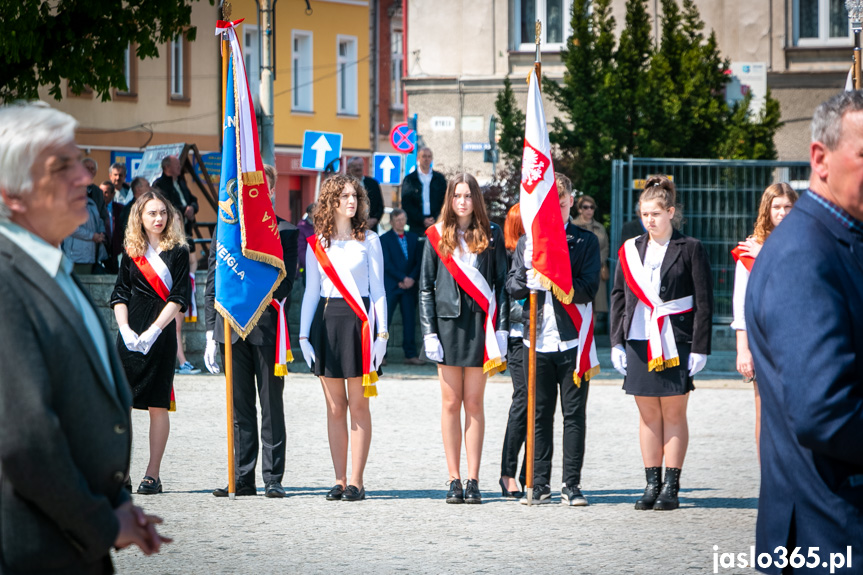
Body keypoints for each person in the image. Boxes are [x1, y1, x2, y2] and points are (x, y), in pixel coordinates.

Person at [0, 101, 169, 573]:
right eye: (61, 167)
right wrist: (103, 522)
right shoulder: (6, 279)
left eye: (79, 162)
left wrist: (117, 501)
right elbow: (24, 439)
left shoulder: (50, 267)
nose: (82, 178)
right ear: (12, 192)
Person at [746, 92, 863, 571]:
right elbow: (824, 412)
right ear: (820, 158)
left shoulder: (839, 237)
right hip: (828, 535)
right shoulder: (804, 255)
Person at [609, 175, 713, 511]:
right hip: (639, 340)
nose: (649, 220)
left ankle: (671, 486)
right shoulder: (630, 249)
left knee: (674, 412)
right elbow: (619, 297)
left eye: (655, 213)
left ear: (670, 212)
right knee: (648, 415)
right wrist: (616, 342)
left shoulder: (691, 248)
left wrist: (700, 347)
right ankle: (651, 484)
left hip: (676, 341)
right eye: (644, 215)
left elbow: (704, 301)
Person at [205, 164, 299, 499]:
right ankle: (242, 478)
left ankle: (273, 477)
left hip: (266, 329)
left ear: (269, 191)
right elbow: (213, 281)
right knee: (239, 407)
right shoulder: (227, 231)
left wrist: (251, 298)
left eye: (261, 187)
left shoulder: (285, 231)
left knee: (271, 405)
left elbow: (287, 281)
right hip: (230, 328)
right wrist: (208, 331)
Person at [508, 175, 601, 505]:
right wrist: (528, 277)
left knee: (574, 416)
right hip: (535, 341)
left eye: (562, 198)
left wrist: (553, 279)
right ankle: (539, 482)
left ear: (571, 200)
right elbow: (512, 287)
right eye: (551, 198)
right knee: (539, 415)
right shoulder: (527, 243)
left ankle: (571, 485)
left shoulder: (585, 242)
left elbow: (589, 288)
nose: (558, 203)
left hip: (572, 342)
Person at [419, 172, 508, 504]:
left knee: (474, 403)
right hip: (446, 326)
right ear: (449, 200)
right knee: (450, 403)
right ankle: (453, 479)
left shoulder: (492, 234)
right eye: (457, 195)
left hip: (480, 327)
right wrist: (428, 331)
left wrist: (500, 328)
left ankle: (473, 479)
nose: (462, 201)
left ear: (476, 200)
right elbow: (426, 288)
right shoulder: (435, 236)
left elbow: (501, 285)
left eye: (468, 195)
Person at [299, 174, 387, 502]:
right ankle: (338, 479)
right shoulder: (317, 243)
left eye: (355, 196)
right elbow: (310, 292)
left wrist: (382, 335)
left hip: (360, 324)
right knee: (335, 407)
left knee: (358, 405)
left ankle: (357, 481)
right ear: (331, 201)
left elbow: (378, 291)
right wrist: (304, 336)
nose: (352, 201)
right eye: (345, 196)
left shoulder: (371, 240)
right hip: (327, 324)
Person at [111, 190, 189, 496]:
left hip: (161, 333)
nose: (158, 218)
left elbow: (178, 297)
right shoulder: (131, 250)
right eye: (151, 213)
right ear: (139, 217)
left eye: (163, 213)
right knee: (122, 405)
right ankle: (123, 474)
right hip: (129, 336)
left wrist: (155, 331)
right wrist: (125, 329)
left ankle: (152, 475)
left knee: (158, 404)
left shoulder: (179, 251)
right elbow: (120, 293)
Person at [730, 183, 797, 459]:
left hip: (797, 338)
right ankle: (770, 481)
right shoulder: (749, 250)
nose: (782, 213)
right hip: (764, 339)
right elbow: (740, 303)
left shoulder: (806, 243)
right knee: (765, 412)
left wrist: (767, 258)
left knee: (796, 412)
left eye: (788, 207)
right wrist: (742, 349)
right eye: (776, 207)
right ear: (766, 210)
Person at [499, 203, 527, 499]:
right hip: (518, 334)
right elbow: (505, 297)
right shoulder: (507, 254)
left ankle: (530, 472)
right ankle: (508, 472)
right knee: (523, 399)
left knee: (539, 405)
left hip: (543, 335)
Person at [379, 208, 423, 365]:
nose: (400, 222)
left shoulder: (413, 238)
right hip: (392, 285)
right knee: (385, 321)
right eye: (397, 220)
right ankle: (380, 355)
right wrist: (402, 278)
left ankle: (410, 355)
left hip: (409, 286)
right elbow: (386, 263)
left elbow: (419, 262)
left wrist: (411, 278)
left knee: (409, 321)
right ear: (391, 222)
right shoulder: (384, 239)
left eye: (403, 219)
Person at [571, 194, 610, 332]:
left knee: (594, 307)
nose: (589, 210)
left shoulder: (599, 227)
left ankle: (590, 335)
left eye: (592, 207)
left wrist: (598, 260)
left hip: (597, 270)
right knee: (579, 302)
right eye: (585, 207)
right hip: (577, 271)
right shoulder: (573, 226)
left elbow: (605, 247)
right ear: (579, 209)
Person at [62, 185, 107, 275]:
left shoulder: (91, 203)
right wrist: (92, 236)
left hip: (90, 255)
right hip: (75, 256)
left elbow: (99, 220)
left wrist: (101, 232)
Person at [401, 147, 446, 233]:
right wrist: (422, 219)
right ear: (418, 158)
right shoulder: (410, 179)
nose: (426, 159)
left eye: (429, 156)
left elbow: (444, 200)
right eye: (424, 156)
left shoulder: (439, 179)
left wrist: (436, 217)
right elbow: (406, 203)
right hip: (415, 225)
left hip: (436, 223)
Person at [152, 155, 198, 240]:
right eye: (177, 164)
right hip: (170, 231)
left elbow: (193, 199)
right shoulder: (159, 184)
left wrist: (192, 208)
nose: (179, 166)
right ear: (167, 167)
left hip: (186, 230)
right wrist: (185, 210)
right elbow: (165, 204)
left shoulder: (180, 182)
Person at [347, 157, 384, 229]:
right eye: (354, 166)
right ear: (349, 168)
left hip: (370, 226)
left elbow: (380, 204)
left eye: (360, 165)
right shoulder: (345, 184)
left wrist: (375, 219)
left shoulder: (373, 183)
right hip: (351, 226)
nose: (358, 168)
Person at [101, 179, 125, 274]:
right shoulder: (96, 208)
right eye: (101, 192)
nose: (103, 195)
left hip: (116, 249)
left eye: (106, 192)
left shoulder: (120, 208)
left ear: (113, 194)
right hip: (101, 249)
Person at [296, 202, 316, 281]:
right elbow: (301, 249)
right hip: (308, 267)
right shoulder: (302, 226)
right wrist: (310, 265)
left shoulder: (321, 225)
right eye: (315, 212)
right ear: (309, 214)